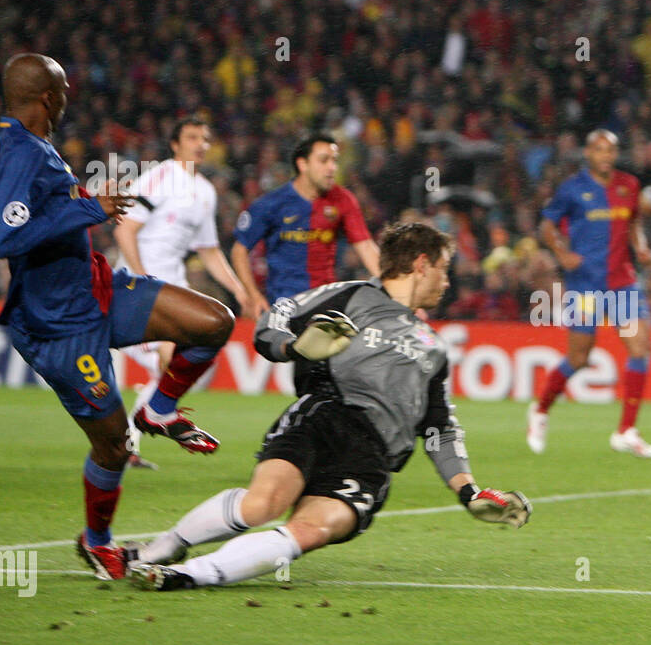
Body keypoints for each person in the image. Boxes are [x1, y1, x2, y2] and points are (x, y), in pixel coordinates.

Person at [129, 222, 529, 590]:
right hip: (323, 417)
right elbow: (274, 320)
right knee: (263, 504)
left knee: (312, 530)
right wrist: (293, 347)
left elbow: (440, 429)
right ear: (421, 265)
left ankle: (184, 576)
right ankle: (160, 549)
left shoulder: (434, 346)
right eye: (444, 268)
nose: (448, 280)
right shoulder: (353, 295)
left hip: (371, 460)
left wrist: (469, 493)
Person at [0, 53, 234, 580]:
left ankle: (161, 410)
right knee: (114, 447)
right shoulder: (19, 153)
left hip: (97, 288)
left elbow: (42, 217)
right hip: (59, 328)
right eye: (64, 90)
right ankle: (97, 541)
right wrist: (89, 208)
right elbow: (6, 236)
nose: (69, 97)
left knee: (213, 322)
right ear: (48, 98)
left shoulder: (32, 145)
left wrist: (83, 204)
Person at [113, 117, 255, 469]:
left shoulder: (205, 191)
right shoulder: (160, 177)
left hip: (173, 286)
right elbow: (125, 229)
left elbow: (208, 250)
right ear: (175, 144)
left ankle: (127, 441)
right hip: (140, 286)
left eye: (205, 139)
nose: (200, 144)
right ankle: (133, 433)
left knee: (173, 365)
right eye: (192, 137)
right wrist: (143, 279)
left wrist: (238, 288)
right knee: (169, 361)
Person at [528, 129, 651, 458]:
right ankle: (541, 410)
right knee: (579, 358)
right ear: (588, 154)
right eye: (599, 150)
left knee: (640, 347)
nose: (605, 156)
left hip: (622, 283)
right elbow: (547, 224)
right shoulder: (572, 189)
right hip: (585, 285)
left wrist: (640, 248)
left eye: (611, 151)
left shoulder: (628, 185)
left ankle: (626, 430)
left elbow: (634, 224)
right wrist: (561, 254)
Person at [230, 133, 379, 313]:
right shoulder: (272, 204)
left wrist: (394, 291)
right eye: (324, 161)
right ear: (303, 164)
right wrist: (253, 294)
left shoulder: (343, 199)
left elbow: (366, 247)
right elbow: (239, 251)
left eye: (334, 160)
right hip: (283, 304)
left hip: (326, 303)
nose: (332, 167)